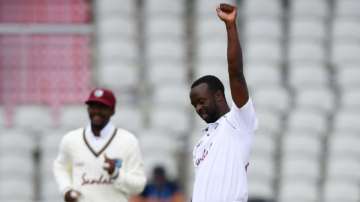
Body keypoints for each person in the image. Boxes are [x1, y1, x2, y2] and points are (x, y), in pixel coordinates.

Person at [189, 3, 257, 202]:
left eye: (201, 101)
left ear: (219, 95)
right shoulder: (201, 144)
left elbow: (236, 74)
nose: (198, 108)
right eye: (195, 106)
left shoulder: (238, 121)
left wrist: (230, 26)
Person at [53, 88, 147, 202]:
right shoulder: (71, 139)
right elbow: (60, 166)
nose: (96, 111)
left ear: (112, 111)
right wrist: (66, 190)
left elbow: (138, 186)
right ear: (88, 109)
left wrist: (116, 174)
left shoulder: (128, 141)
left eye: (102, 107)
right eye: (93, 106)